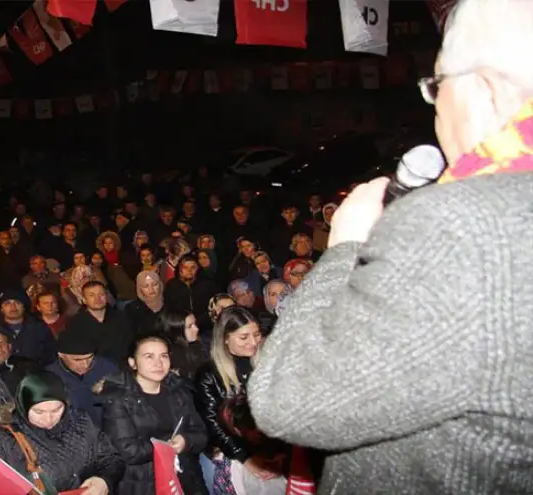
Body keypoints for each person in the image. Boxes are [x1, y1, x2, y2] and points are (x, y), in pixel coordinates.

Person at [249, 3, 533, 493]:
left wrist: (345, 247)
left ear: (484, 89)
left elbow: (287, 398)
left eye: (438, 86)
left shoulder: (463, 227)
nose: (435, 105)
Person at [99, 335, 208, 494]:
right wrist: (166, 446)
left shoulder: (179, 390)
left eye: (163, 356)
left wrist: (186, 441)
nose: (158, 363)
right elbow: (128, 450)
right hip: (142, 482)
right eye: (149, 356)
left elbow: (201, 433)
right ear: (133, 362)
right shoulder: (118, 399)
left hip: (183, 476)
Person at [0, 371, 125, 495]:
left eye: (56, 410)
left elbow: (111, 458)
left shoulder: (81, 422)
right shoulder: (3, 438)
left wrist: (104, 480)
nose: (48, 419)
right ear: (23, 406)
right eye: (39, 412)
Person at [195, 307, 285, 494]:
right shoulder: (209, 375)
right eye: (244, 337)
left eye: (256, 334)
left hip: (273, 455)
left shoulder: (269, 365)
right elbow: (212, 424)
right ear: (225, 339)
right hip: (233, 456)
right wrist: (246, 458)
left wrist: (282, 452)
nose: (253, 342)